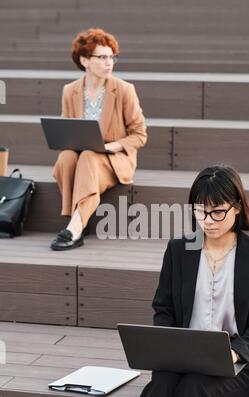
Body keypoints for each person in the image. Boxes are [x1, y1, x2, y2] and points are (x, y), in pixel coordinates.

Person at [131, 165, 249, 397]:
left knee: (194, 390)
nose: (208, 220)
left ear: (237, 208)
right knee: (159, 388)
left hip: (239, 363)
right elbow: (163, 308)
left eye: (217, 212)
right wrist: (165, 344)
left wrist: (236, 353)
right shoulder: (179, 250)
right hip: (182, 355)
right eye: (200, 211)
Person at [51, 28, 147, 250]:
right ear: (85, 61)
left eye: (112, 56)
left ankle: (75, 227)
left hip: (115, 158)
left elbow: (140, 135)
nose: (109, 62)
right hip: (83, 154)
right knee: (66, 156)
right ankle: (76, 219)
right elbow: (66, 128)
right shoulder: (70, 91)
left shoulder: (124, 90)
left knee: (88, 157)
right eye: (102, 57)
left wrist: (111, 146)